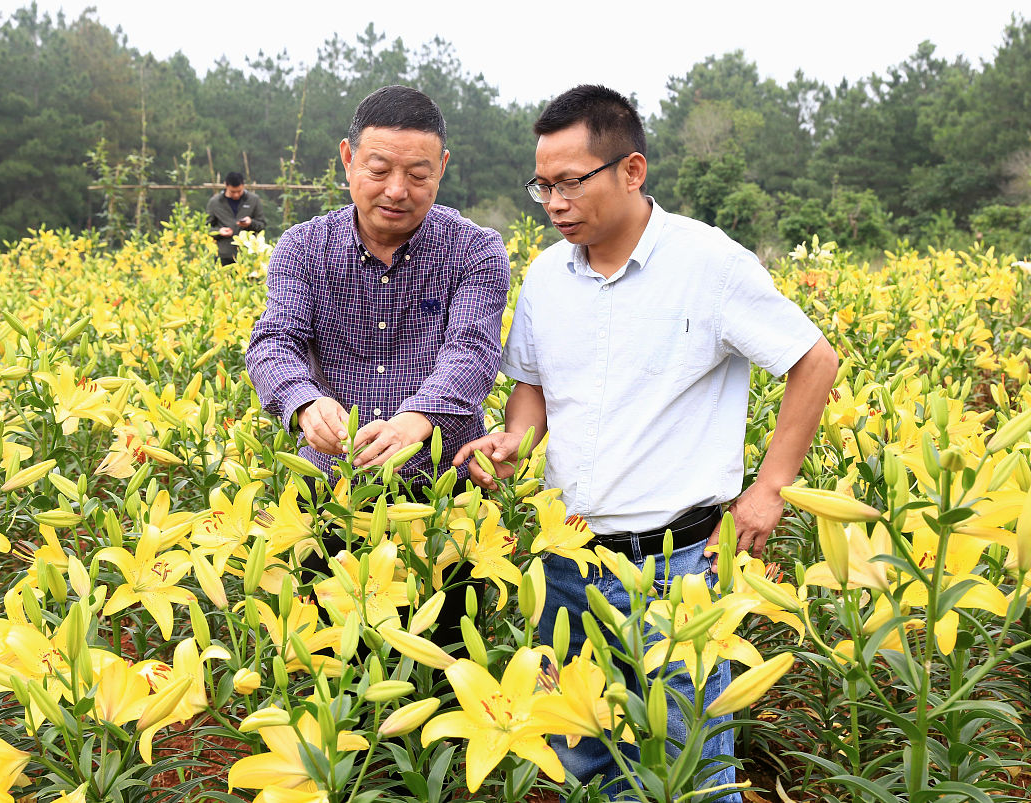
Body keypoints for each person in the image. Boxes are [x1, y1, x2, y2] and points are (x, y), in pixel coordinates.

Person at [453, 85, 838, 800]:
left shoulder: (708, 263)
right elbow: (533, 389)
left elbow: (814, 360)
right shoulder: (543, 277)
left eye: (571, 181)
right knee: (581, 763)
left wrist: (768, 488)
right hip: (566, 566)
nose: (555, 202)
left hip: (678, 564)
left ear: (632, 170)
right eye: (542, 185)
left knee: (691, 766)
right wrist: (513, 441)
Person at [246, 84, 510, 487]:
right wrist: (304, 402)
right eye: (379, 170)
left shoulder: (475, 249)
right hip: (330, 491)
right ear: (348, 159)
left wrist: (413, 423)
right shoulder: (302, 246)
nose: (397, 191)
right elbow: (275, 340)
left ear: (442, 168)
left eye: (418, 174)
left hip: (444, 492)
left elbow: (472, 351)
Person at [207, 171, 265, 265]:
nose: (236, 195)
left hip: (247, 255)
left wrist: (250, 223)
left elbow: (262, 225)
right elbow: (206, 229)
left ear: (243, 185)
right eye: (232, 192)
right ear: (225, 185)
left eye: (239, 191)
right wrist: (219, 231)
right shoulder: (215, 202)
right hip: (223, 255)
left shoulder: (253, 200)